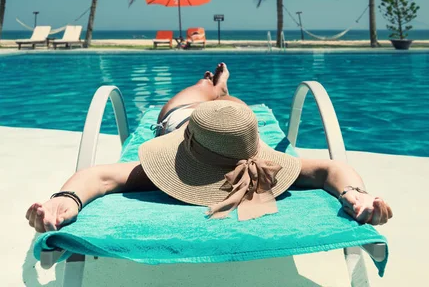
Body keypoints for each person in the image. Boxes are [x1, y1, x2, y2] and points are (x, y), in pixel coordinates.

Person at [26, 63, 392, 232]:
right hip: (208, 125)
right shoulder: (269, 172)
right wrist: (354, 193)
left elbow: (100, 177)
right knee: (223, 105)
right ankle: (219, 88)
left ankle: (215, 85)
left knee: (209, 98)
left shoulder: (161, 176)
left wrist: (68, 197)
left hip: (194, 123)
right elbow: (330, 169)